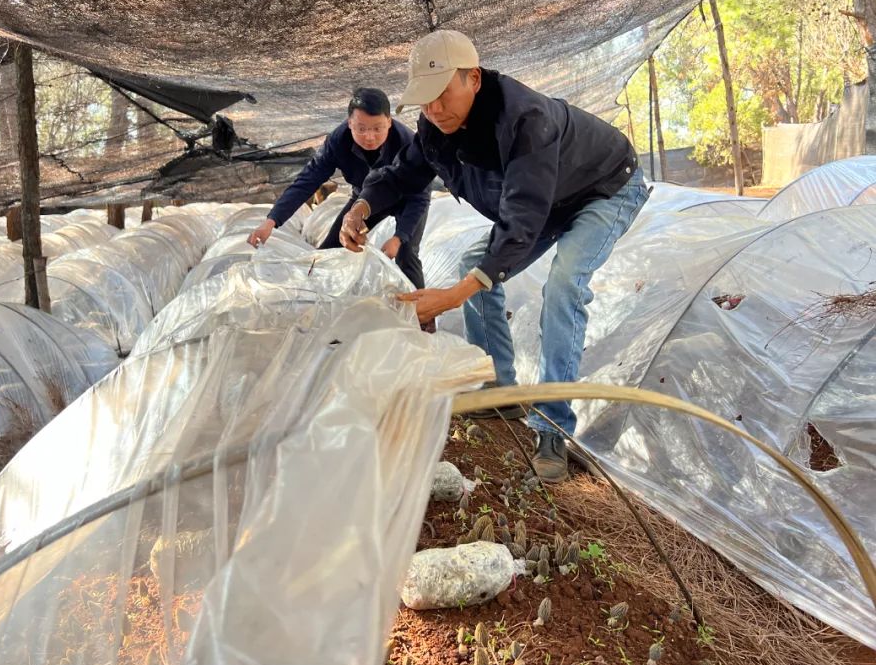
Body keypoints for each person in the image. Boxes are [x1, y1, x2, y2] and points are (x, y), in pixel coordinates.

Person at [340, 30, 648, 482]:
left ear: (474, 79)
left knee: (563, 285)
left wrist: (451, 298)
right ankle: (498, 389)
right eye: (424, 101)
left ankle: (552, 428)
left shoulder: (526, 120)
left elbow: (522, 219)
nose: (435, 110)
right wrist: (362, 206)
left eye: (444, 95)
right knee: (473, 266)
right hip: (547, 201)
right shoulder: (434, 128)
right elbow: (400, 174)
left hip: (603, 189)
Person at [248, 87, 429, 290]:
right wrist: (271, 221)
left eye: (377, 129)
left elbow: (420, 196)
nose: (369, 137)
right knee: (331, 249)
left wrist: (399, 237)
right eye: (361, 128)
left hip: (407, 198)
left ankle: (424, 318)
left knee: (407, 254)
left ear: (389, 121)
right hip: (364, 201)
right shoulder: (338, 141)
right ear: (349, 123)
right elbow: (308, 180)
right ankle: (317, 299)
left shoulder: (407, 143)